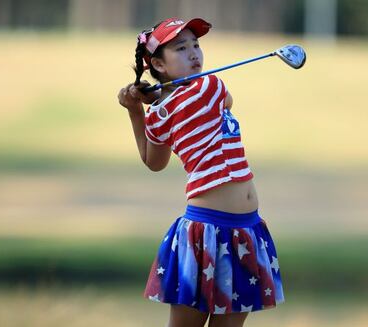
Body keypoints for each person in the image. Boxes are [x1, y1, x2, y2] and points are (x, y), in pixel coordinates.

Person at [118, 17, 285, 327]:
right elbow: (153, 161)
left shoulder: (209, 86)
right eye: (181, 48)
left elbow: (185, 112)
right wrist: (138, 112)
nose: (194, 53)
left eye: (196, 45)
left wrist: (147, 104)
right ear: (159, 63)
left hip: (246, 230)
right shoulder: (164, 112)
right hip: (204, 232)